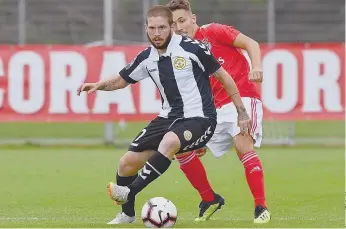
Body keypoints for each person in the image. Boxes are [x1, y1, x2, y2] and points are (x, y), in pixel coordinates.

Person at [77, 5, 251, 225]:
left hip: (200, 118)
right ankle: (127, 214)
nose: (157, 33)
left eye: (161, 27)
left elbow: (224, 77)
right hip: (168, 118)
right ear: (146, 29)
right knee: (126, 163)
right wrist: (98, 85)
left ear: (171, 27)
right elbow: (122, 80)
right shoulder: (147, 57)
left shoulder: (193, 49)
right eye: (152, 28)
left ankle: (129, 192)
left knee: (169, 142)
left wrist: (241, 112)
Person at [167, 0, 271, 224]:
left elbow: (251, 43)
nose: (179, 27)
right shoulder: (180, 54)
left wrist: (257, 67)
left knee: (243, 145)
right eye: (173, 24)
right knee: (181, 148)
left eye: (182, 20)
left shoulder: (213, 31)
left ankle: (260, 207)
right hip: (214, 110)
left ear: (193, 19)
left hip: (242, 98)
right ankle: (210, 199)